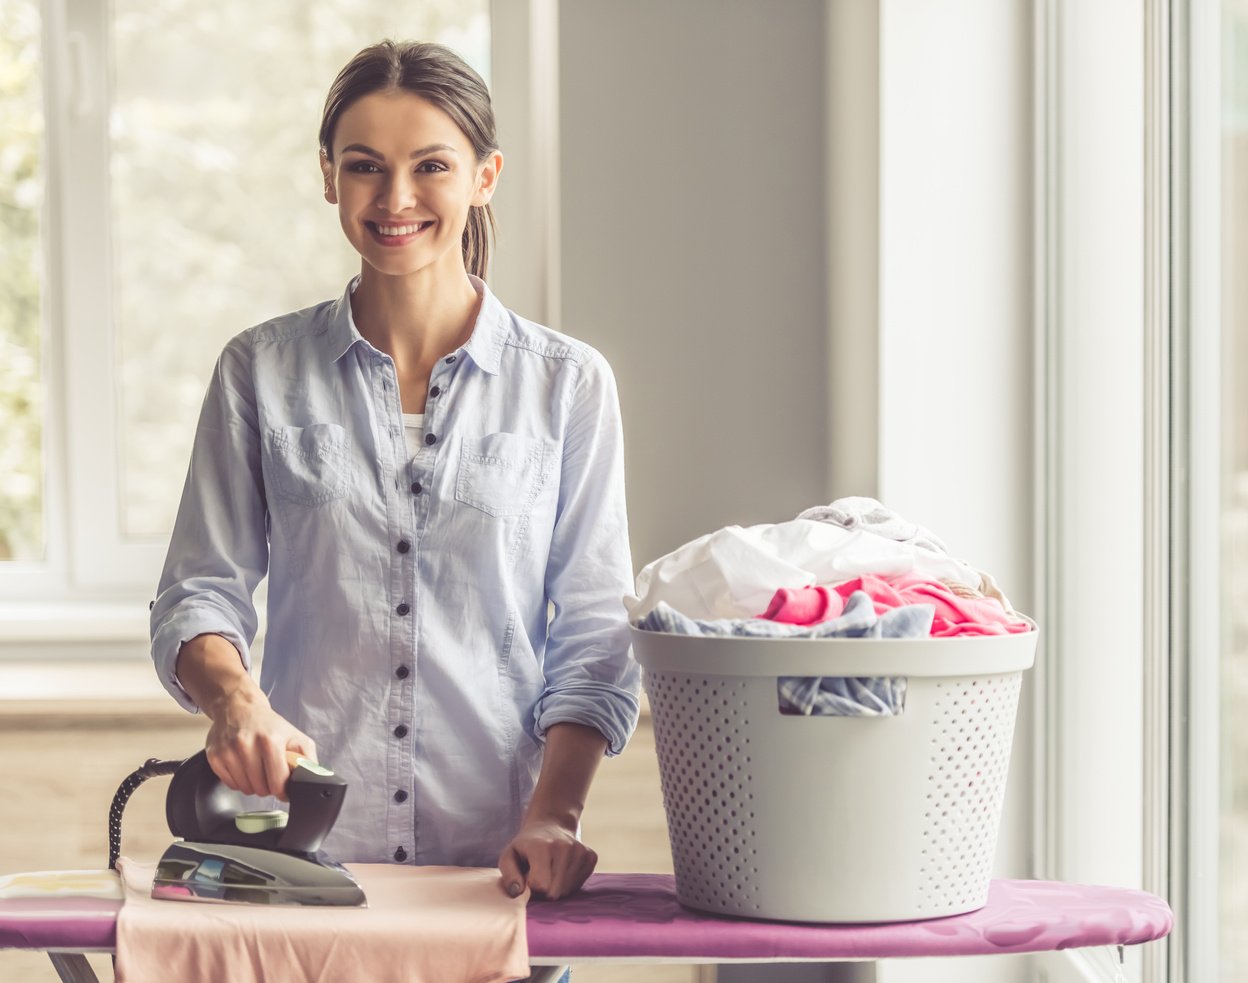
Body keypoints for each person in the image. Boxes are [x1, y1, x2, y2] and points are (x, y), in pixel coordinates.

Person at [149, 39, 640, 908]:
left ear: (485, 176)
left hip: (496, 875)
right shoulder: (258, 371)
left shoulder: (568, 384)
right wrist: (234, 700)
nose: (397, 198)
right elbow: (200, 591)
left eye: (432, 166)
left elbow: (595, 636)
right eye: (366, 166)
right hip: (302, 867)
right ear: (329, 177)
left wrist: (555, 817)